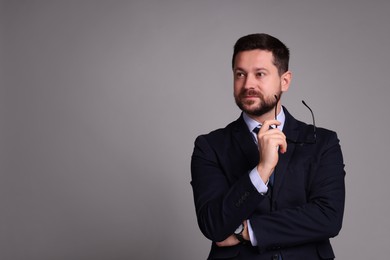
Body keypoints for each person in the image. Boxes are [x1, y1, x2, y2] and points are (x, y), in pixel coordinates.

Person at [190, 33, 345, 260]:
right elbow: (213, 225)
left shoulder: (323, 142)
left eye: (259, 74)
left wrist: (247, 232)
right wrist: (261, 170)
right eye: (240, 74)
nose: (248, 84)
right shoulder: (209, 146)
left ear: (285, 81)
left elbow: (328, 217)